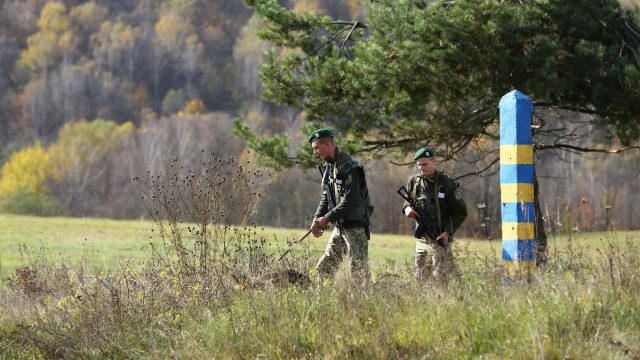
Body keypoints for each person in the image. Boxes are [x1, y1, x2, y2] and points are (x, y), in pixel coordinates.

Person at [308, 128, 374, 281]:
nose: (315, 152)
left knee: (359, 274)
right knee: (324, 268)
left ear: (327, 145)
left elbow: (351, 200)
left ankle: (364, 304)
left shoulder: (348, 166)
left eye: (316, 148)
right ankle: (323, 302)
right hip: (340, 226)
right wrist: (317, 218)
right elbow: (327, 196)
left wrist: (327, 218)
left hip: (355, 227)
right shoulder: (329, 167)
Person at [402, 147, 467, 282]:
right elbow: (407, 202)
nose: (421, 168)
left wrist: (448, 232)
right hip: (422, 240)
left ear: (434, 161)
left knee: (440, 280)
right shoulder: (414, 182)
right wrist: (407, 209)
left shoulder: (447, 183)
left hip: (440, 239)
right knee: (421, 278)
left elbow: (461, 212)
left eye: (424, 164)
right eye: (419, 165)